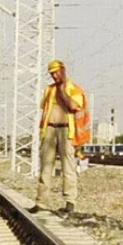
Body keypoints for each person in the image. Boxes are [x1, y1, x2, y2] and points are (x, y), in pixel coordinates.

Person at [32, 59, 88, 216]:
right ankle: (41, 202)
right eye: (51, 73)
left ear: (63, 71)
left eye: (56, 72)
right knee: (45, 167)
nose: (54, 76)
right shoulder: (49, 90)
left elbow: (72, 106)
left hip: (66, 130)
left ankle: (70, 203)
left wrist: (62, 89)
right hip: (49, 130)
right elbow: (45, 108)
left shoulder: (74, 89)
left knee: (68, 167)